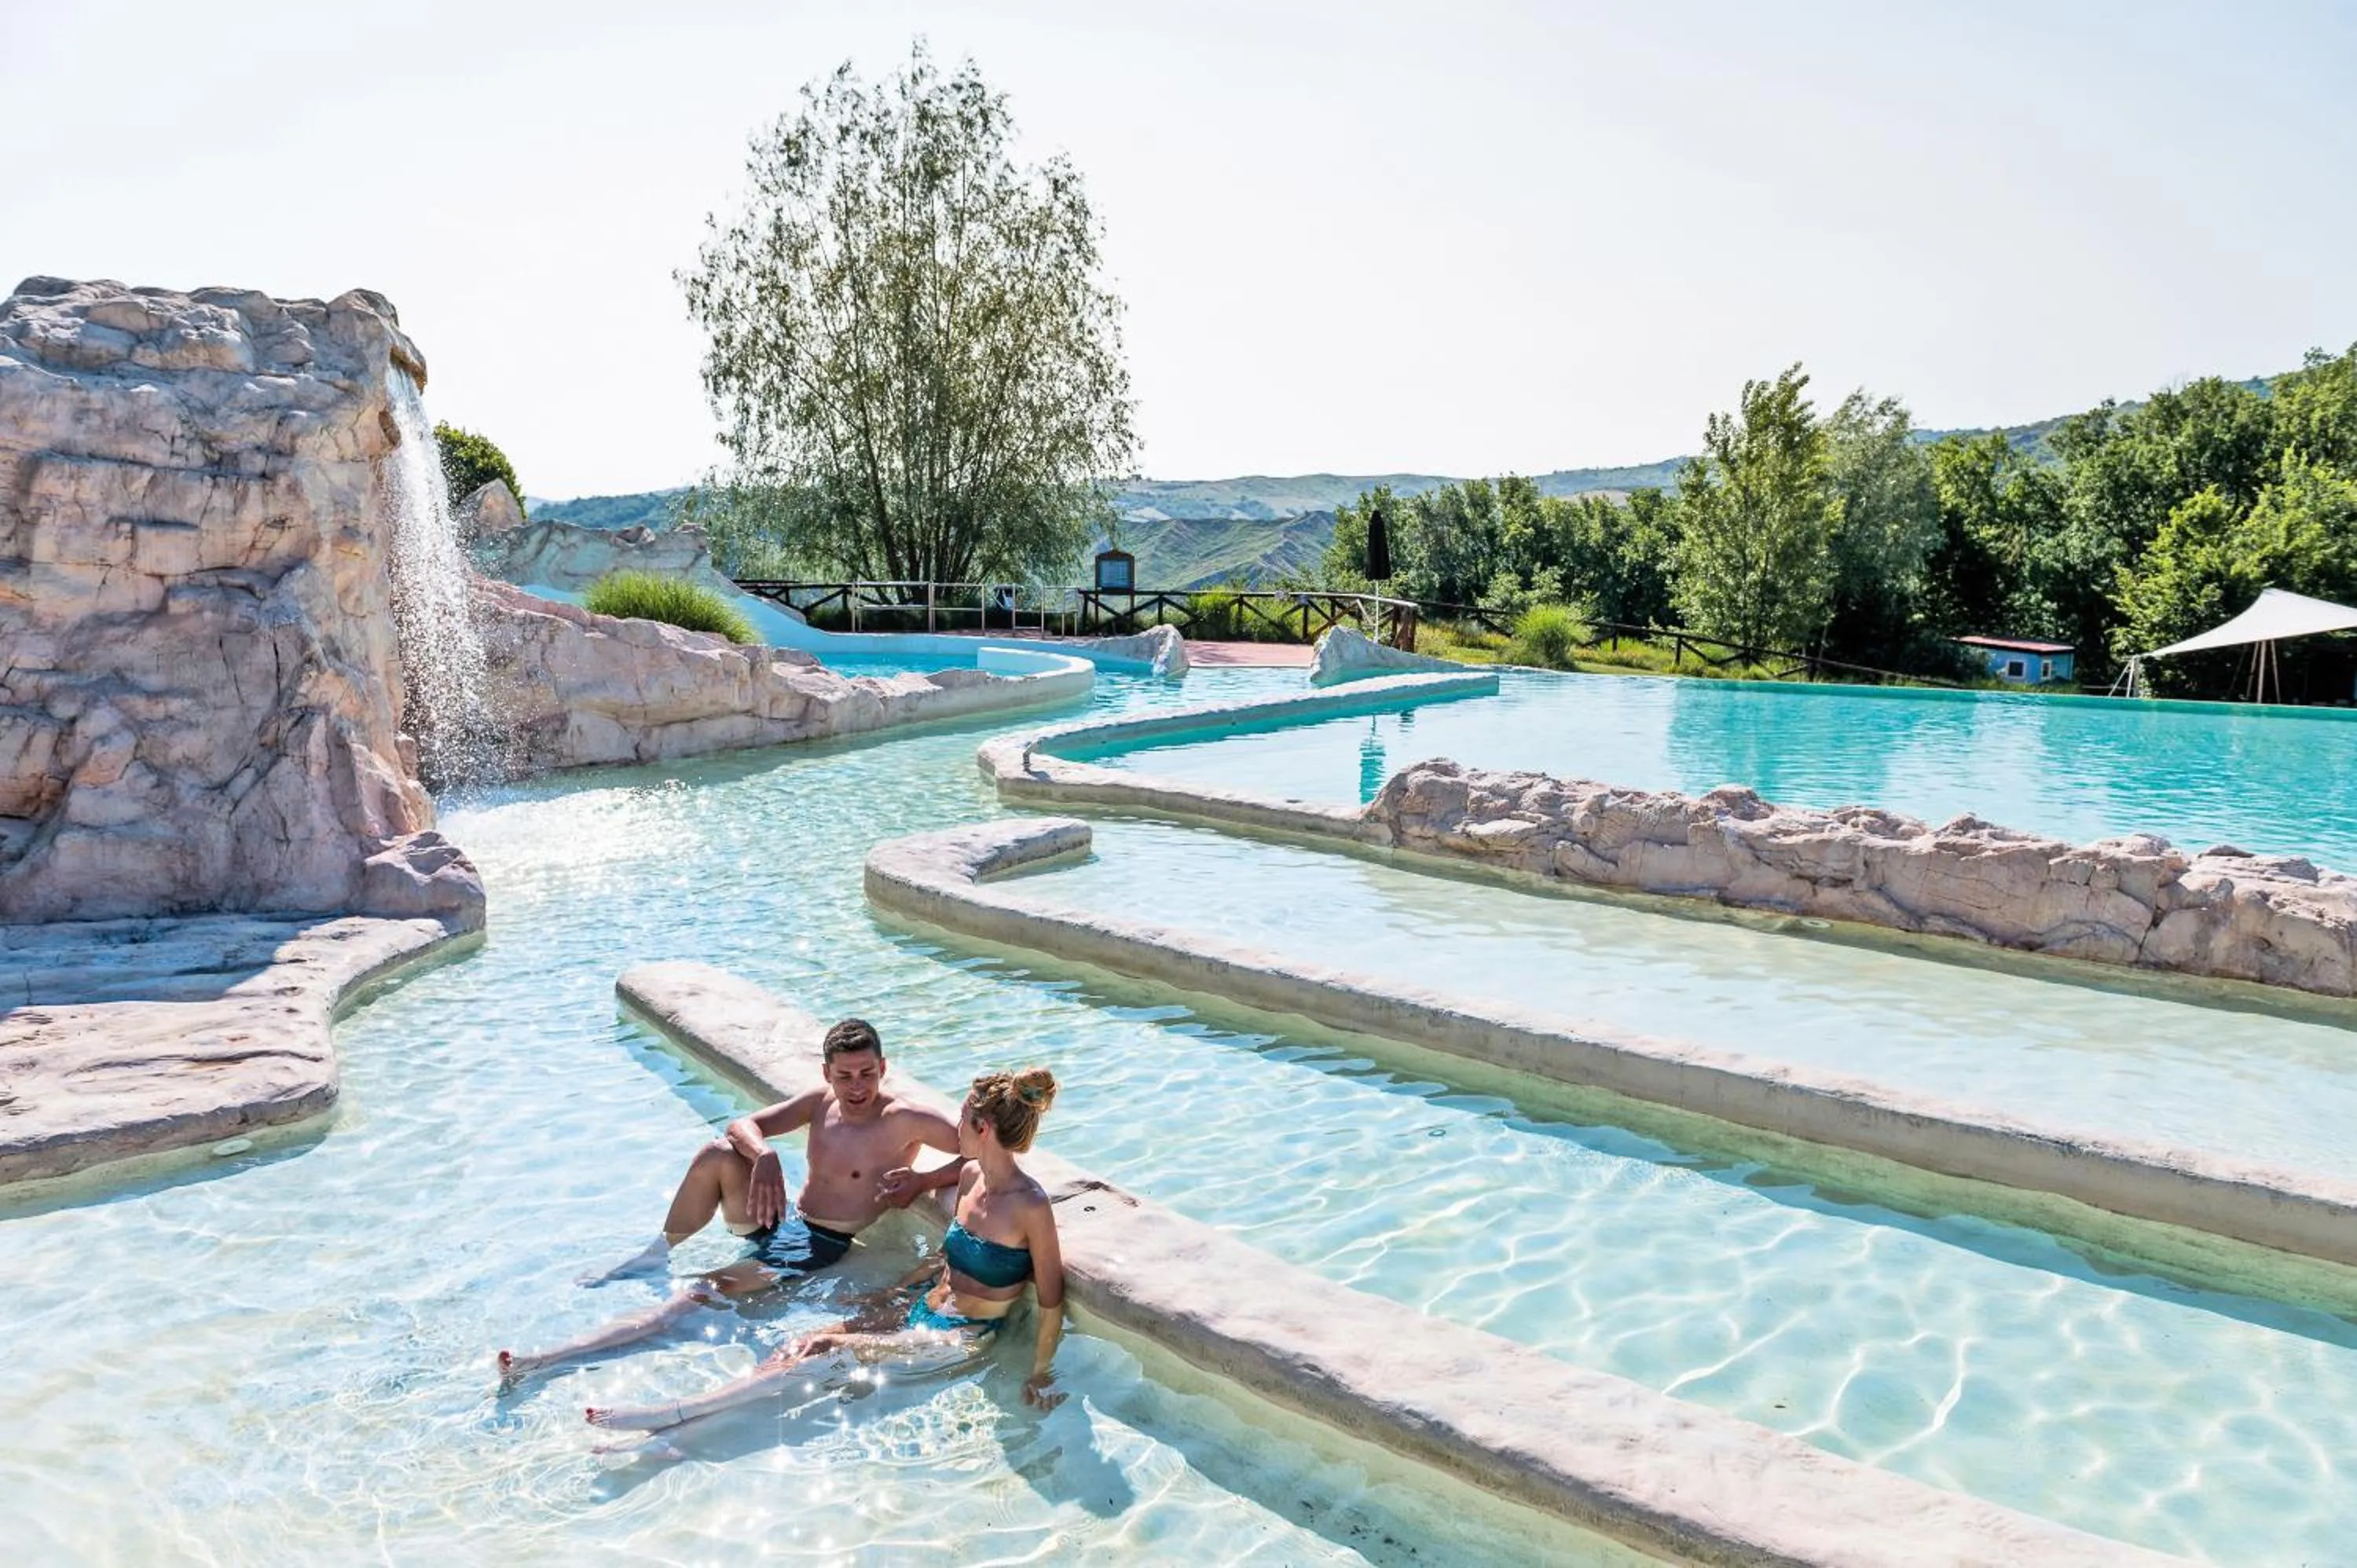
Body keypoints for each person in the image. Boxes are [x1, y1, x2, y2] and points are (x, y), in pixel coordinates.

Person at [584, 1067, 1069, 1431]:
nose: (955, 1127)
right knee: (798, 1344)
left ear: (982, 1129)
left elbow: (1051, 1302)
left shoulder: (1030, 1206)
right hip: (921, 1310)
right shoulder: (969, 1176)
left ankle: (674, 1415)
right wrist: (894, 1292)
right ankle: (691, 1429)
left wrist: (1041, 1372)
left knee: (822, 1350)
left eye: (962, 1117)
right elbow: (947, 1259)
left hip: (961, 1338)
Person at [498, 1018, 962, 1380]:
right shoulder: (819, 1101)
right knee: (718, 1154)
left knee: (700, 1293)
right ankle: (657, 1252)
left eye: (867, 1074)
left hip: (815, 1244)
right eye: (845, 1076)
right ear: (827, 1073)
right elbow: (743, 1125)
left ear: (883, 1068)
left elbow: (980, 1150)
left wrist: (925, 1181)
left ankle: (551, 1359)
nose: (857, 1087)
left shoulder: (905, 1119)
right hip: (781, 1219)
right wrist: (764, 1156)